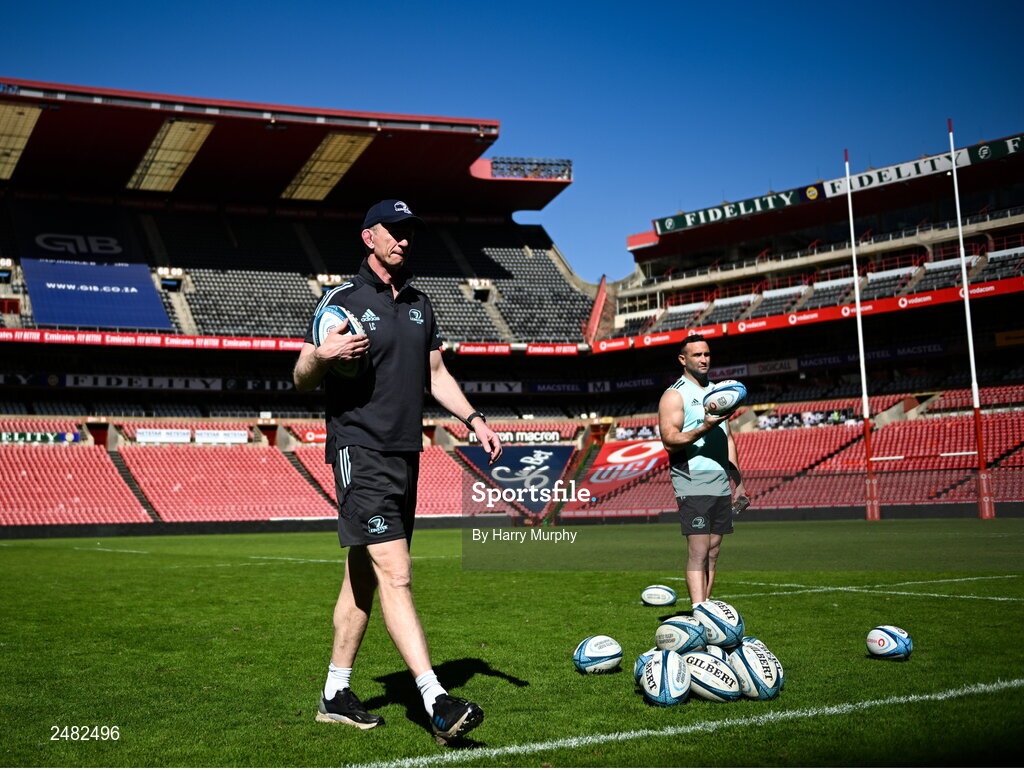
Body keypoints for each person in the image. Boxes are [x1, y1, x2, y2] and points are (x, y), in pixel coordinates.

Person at [293, 199, 502, 743]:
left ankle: (336, 693)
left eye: (411, 232)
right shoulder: (341, 300)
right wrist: (323, 353)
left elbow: (435, 373)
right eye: (395, 231)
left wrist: (473, 418)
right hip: (359, 449)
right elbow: (301, 373)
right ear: (369, 237)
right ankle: (436, 700)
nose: (405, 240)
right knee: (397, 572)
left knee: (362, 576)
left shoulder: (420, 304)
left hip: (404, 453)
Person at [657, 334, 746, 610]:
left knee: (714, 551)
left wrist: (739, 482)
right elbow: (670, 440)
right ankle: (700, 613)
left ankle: (707, 608)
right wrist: (704, 428)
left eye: (706, 354)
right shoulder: (674, 394)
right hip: (691, 476)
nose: (704, 359)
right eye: (697, 355)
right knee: (698, 550)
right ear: (683, 359)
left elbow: (728, 437)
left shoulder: (720, 393)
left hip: (720, 478)